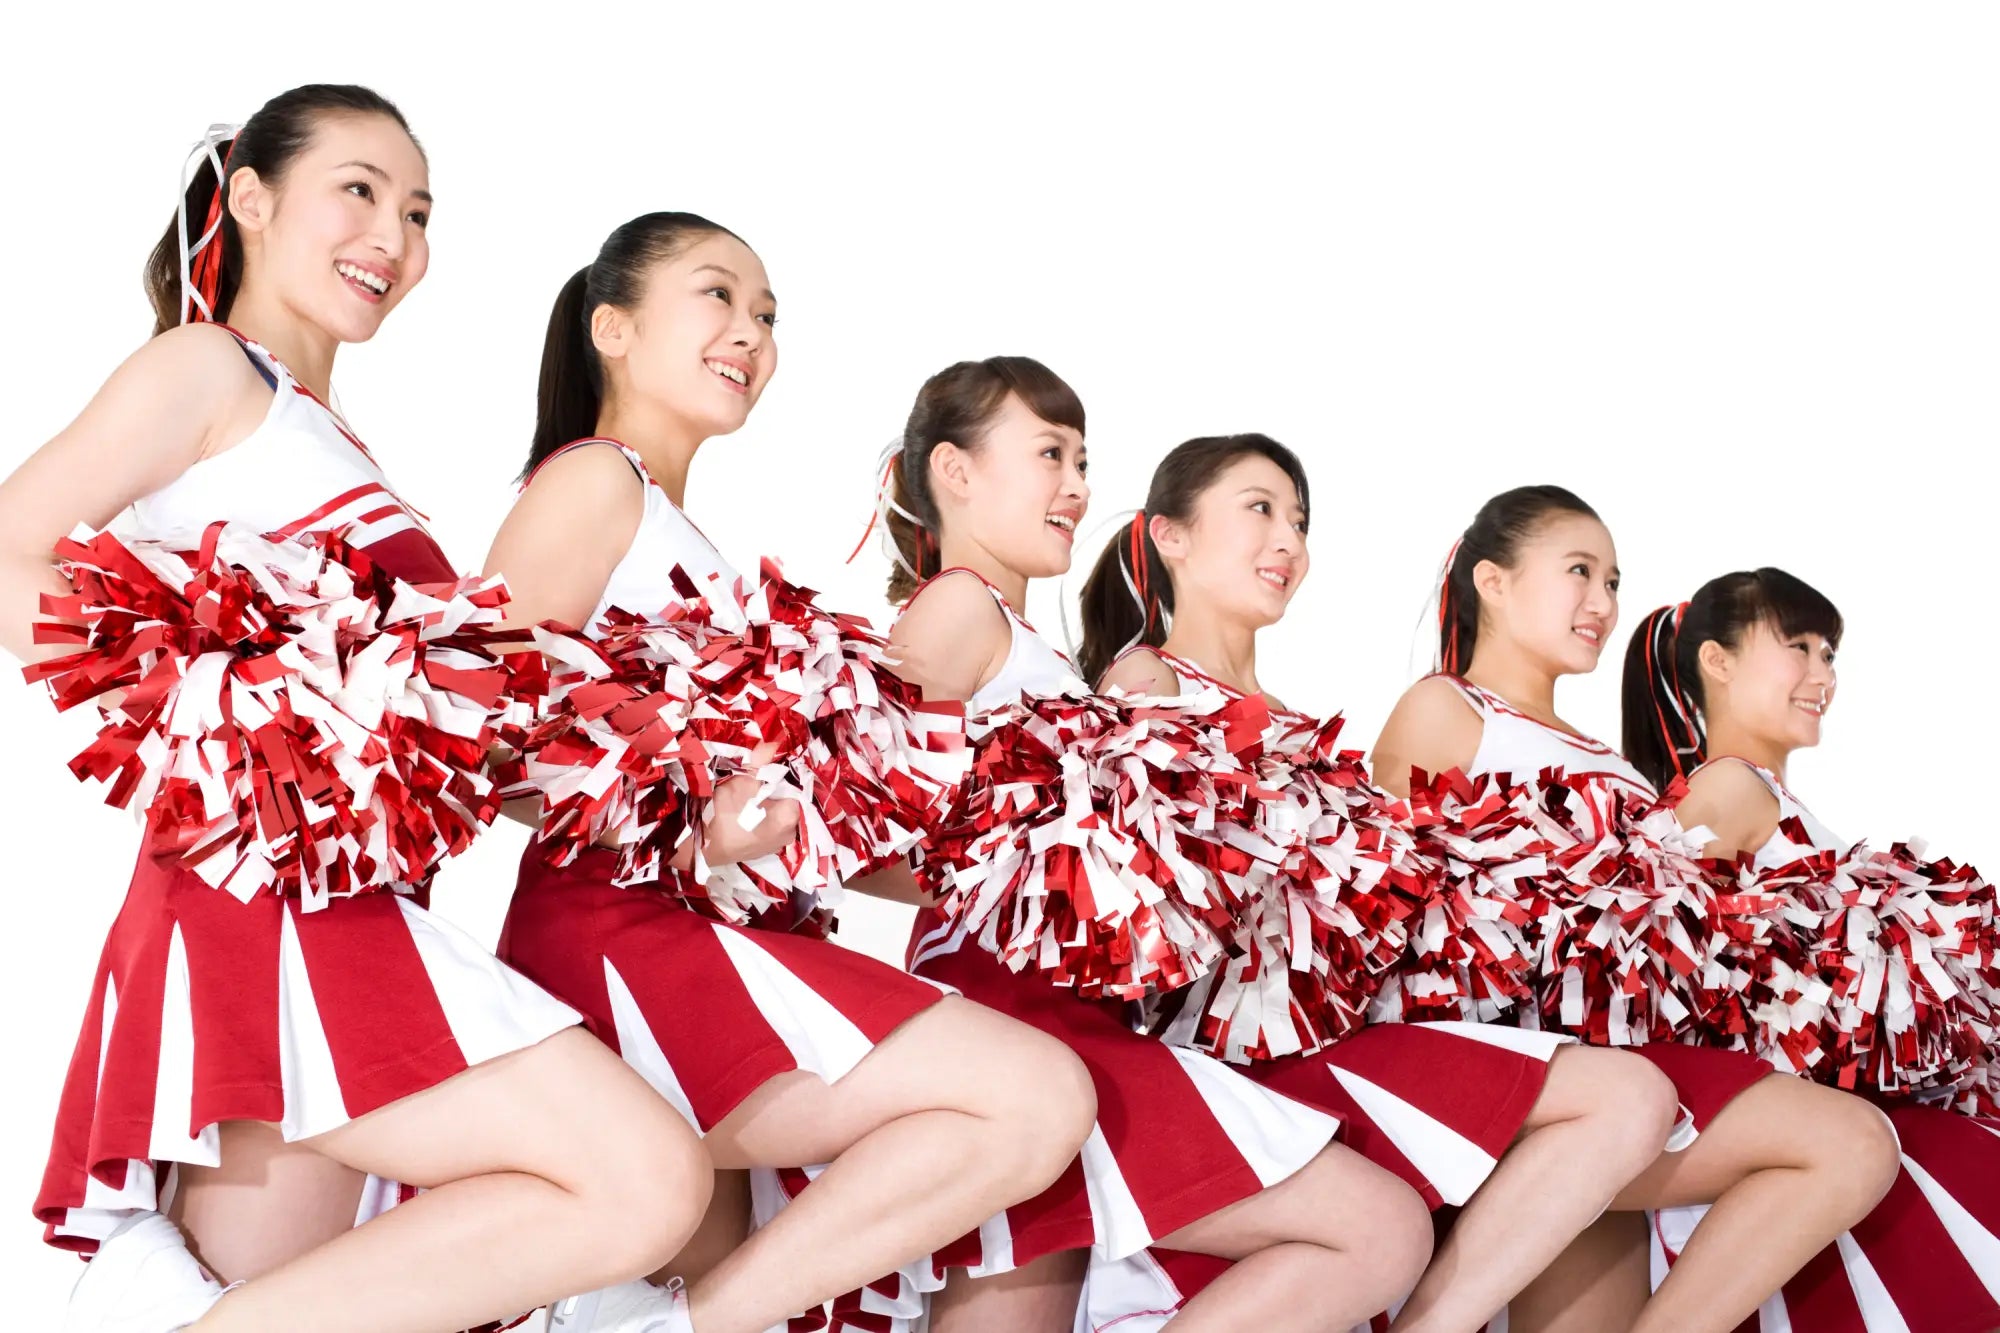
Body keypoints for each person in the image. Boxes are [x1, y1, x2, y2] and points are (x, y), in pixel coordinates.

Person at [9, 86, 710, 1333]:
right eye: (361, 187)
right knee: (643, 1176)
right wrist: (233, 708)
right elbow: (10, 554)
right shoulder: (206, 365)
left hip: (349, 914)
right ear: (252, 200)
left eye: (419, 209)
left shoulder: (330, 435)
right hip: (256, 919)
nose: (396, 232)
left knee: (289, 1300)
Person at [484, 215, 1099, 1333]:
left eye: (766, 315)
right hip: (624, 935)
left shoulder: (675, 522)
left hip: (716, 937)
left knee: (686, 1283)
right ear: (610, 328)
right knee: (1031, 1097)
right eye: (717, 297)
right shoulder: (594, 482)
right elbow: (478, 731)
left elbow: (815, 818)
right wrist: (689, 827)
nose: (749, 333)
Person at [876, 367, 1437, 1332]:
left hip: (1076, 1018)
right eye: (1051, 453)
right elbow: (857, 826)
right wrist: (1030, 875)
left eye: (1083, 460)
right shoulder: (965, 607)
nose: (1078, 485)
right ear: (954, 472)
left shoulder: (1036, 646)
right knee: (1372, 1228)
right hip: (1004, 1005)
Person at [1368, 487, 1901, 1333]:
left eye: (1613, 580)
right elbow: (1379, 901)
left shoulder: (1619, 770)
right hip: (1516, 1066)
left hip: (1614, 1075)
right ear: (1493, 582)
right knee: (1848, 1143)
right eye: (1579, 570)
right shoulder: (1448, 708)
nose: (1603, 602)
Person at [1617, 568, 2000, 1331]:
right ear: (1717, 662)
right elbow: (1632, 948)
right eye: (1798, 647)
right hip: (1785, 1137)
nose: (1823, 673)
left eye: (1830, 654)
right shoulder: (1727, 787)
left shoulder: (1766, 794)